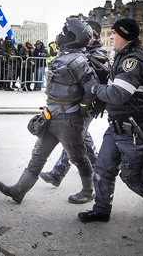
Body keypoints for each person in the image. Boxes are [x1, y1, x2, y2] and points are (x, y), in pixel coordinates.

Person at [78, 18, 143, 223]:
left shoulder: (133, 61)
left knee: (134, 181)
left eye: (114, 33)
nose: (111, 36)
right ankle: (102, 210)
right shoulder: (122, 57)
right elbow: (114, 90)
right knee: (103, 169)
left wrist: (94, 89)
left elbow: (118, 94)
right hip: (117, 128)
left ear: (126, 35)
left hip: (134, 132)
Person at [0, 19, 97, 205]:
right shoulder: (65, 56)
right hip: (51, 116)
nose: (61, 35)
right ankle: (19, 190)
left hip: (68, 119)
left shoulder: (80, 61)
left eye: (65, 32)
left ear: (74, 37)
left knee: (78, 157)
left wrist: (82, 108)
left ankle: (89, 191)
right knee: (38, 155)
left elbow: (91, 90)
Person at [40, 21, 110, 204]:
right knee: (81, 141)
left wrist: (87, 105)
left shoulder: (95, 53)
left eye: (91, 34)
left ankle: (86, 181)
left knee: (75, 143)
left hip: (84, 107)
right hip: (76, 107)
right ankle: (92, 171)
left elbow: (92, 85)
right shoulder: (84, 51)